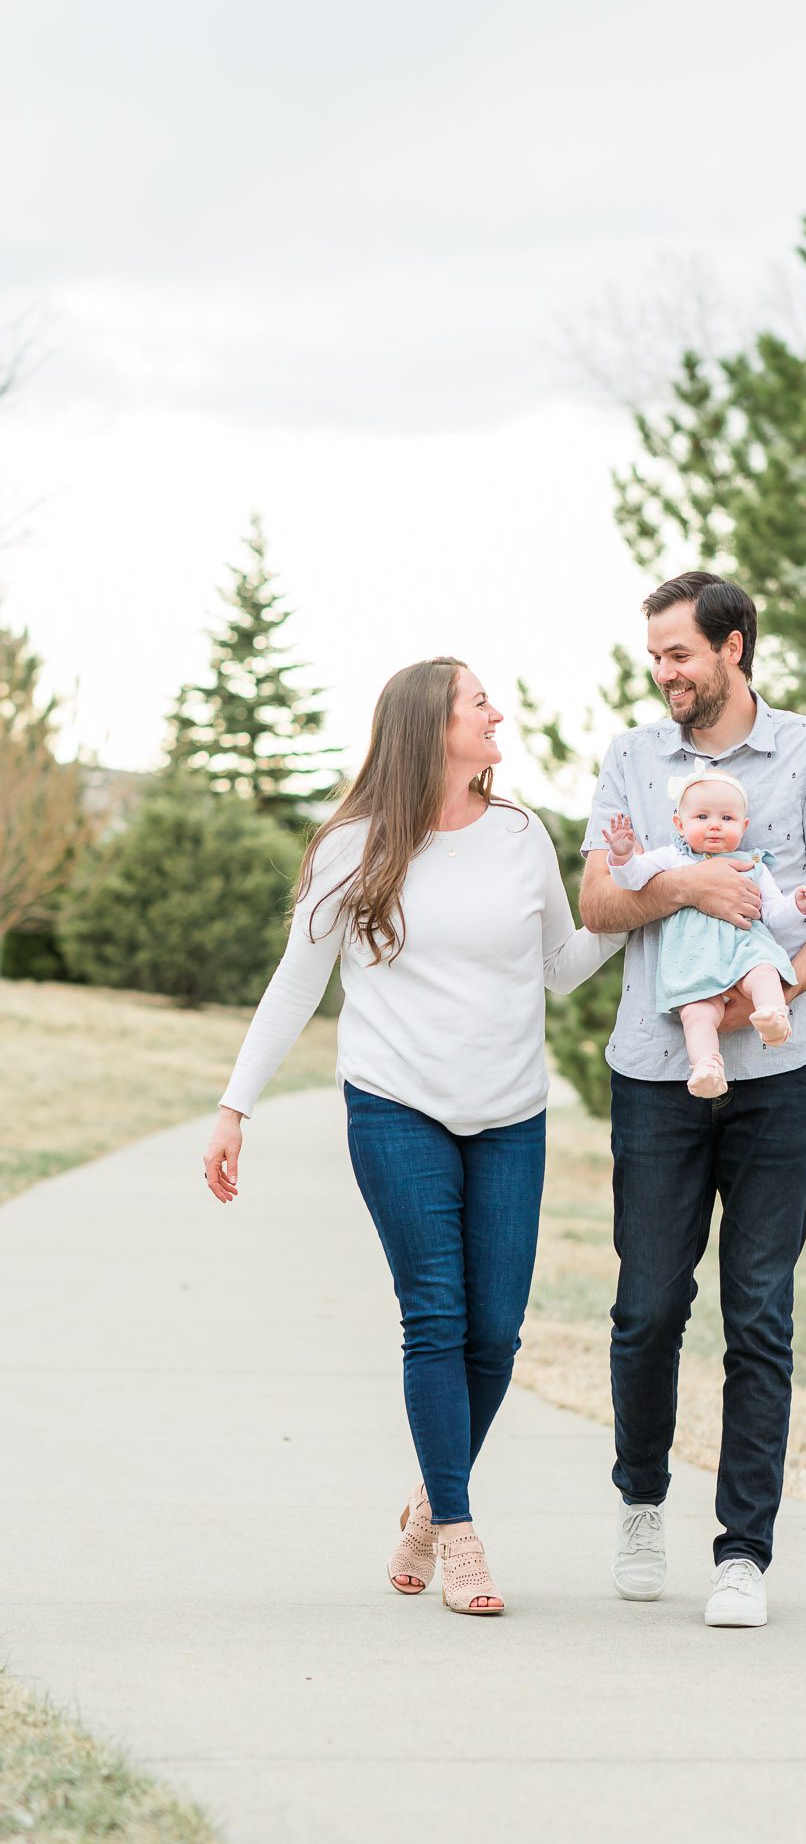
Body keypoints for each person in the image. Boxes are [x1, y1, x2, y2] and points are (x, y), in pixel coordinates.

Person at [203, 656, 623, 1616]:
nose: (497, 712)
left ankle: (430, 1504)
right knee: (434, 1313)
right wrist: (237, 1106)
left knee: (497, 1332)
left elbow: (562, 964)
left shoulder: (523, 836)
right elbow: (296, 983)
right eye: (480, 702)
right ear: (431, 725)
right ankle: (463, 1537)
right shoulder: (351, 846)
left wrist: (644, 901)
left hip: (511, 1109)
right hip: (394, 1105)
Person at [580, 572, 806, 1628]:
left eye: (678, 653)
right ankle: (640, 1498)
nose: (662, 671)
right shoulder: (630, 757)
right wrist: (686, 886)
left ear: (732, 647)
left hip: (779, 1078)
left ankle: (742, 1550)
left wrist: (774, 993)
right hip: (657, 1073)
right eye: (655, 654)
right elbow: (598, 900)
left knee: (759, 1311)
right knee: (647, 1305)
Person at [601, 763, 806, 1096]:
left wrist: (798, 906)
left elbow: (773, 914)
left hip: (744, 950)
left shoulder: (753, 864)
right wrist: (622, 855)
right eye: (702, 817)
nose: (715, 826)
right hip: (693, 961)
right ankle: (706, 1066)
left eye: (727, 818)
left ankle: (773, 1013)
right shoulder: (673, 858)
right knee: (697, 1014)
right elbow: (632, 881)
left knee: (764, 970)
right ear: (680, 822)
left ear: (744, 826)